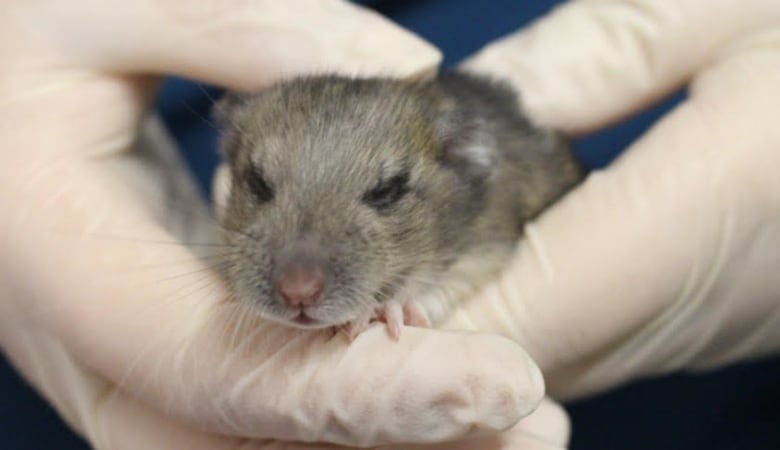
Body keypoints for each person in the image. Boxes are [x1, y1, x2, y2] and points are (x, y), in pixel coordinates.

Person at [1, 1, 778, 449]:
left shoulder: (479, 175)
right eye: (260, 187)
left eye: (382, 197)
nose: (297, 280)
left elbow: (494, 236)